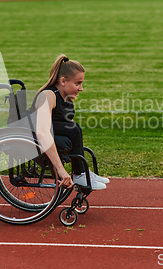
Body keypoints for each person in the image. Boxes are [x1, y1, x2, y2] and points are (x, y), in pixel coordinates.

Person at [34, 54, 109, 190]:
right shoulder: (48, 95)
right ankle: (79, 175)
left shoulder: (66, 99)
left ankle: (81, 173)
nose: (81, 88)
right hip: (33, 136)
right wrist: (60, 169)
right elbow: (42, 132)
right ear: (63, 81)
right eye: (77, 83)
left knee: (74, 128)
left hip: (51, 133)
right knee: (73, 128)